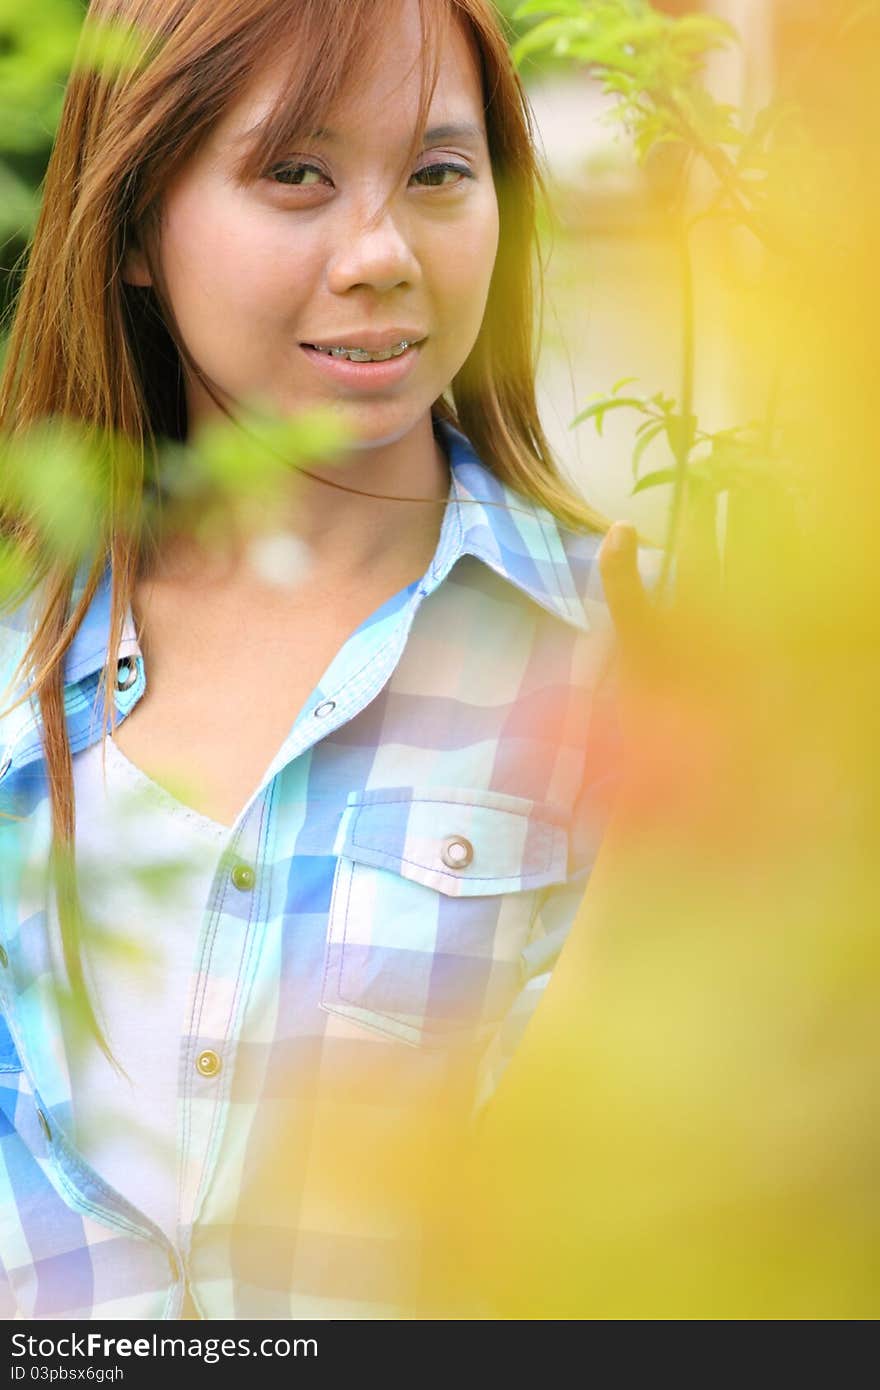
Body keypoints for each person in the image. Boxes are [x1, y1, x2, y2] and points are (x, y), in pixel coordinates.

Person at [0, 0, 654, 1320]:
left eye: (438, 175)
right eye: (295, 173)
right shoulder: (20, 647)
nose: (381, 253)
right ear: (133, 222)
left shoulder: (625, 666)